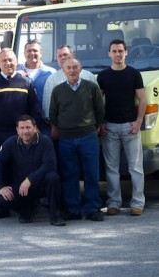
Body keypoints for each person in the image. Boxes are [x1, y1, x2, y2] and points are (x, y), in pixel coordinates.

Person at [49, 58, 105, 221]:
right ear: (63, 70)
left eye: (75, 67)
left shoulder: (91, 87)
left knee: (91, 174)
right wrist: (64, 129)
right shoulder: (57, 90)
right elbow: (53, 114)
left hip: (88, 137)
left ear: (81, 69)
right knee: (69, 174)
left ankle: (92, 209)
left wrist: (94, 126)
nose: (72, 70)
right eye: (68, 68)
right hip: (66, 138)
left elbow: (100, 110)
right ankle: (73, 209)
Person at [97, 39, 146, 216]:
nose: (117, 54)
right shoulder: (102, 76)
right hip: (109, 127)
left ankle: (138, 203)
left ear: (126, 53)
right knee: (111, 169)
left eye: (120, 51)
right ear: (109, 54)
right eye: (114, 51)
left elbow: (143, 99)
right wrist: (100, 123)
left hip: (130, 127)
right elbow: (98, 102)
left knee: (136, 168)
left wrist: (139, 121)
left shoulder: (134, 74)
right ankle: (113, 203)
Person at [0, 115, 66, 226]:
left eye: (28, 127)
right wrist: (0, 187)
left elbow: (50, 165)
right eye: (22, 128)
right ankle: (27, 210)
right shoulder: (11, 142)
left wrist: (30, 179)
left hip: (41, 184)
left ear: (35, 128)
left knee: (53, 177)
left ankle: (55, 215)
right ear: (17, 130)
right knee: (3, 198)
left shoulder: (45, 141)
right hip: (22, 187)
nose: (25, 131)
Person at [0, 48, 42, 151]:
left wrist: (35, 128)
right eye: (4, 60)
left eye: (10, 60)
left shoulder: (26, 83)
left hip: (22, 134)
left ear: (16, 62)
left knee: (22, 166)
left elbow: (34, 108)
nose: (8, 63)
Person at [42, 45, 96, 122]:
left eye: (65, 54)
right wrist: (53, 126)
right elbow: (47, 108)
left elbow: (98, 104)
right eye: (60, 56)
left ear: (73, 55)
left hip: (88, 128)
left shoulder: (89, 76)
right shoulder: (51, 80)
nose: (63, 57)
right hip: (64, 129)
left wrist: (98, 125)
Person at [17, 39, 56, 107]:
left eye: (35, 50)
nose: (32, 53)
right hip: (22, 116)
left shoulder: (51, 73)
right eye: (29, 51)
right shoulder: (16, 71)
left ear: (41, 53)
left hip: (43, 116)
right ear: (24, 54)